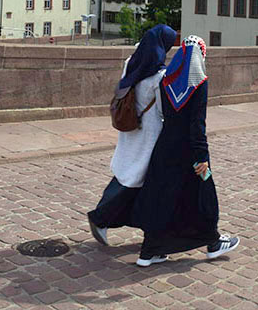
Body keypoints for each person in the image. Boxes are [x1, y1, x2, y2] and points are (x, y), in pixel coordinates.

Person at [130, 35, 239, 267]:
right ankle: (213, 242)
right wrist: (201, 157)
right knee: (204, 194)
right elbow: (197, 124)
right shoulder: (199, 83)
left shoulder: (166, 80)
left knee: (163, 198)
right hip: (191, 154)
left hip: (165, 148)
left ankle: (149, 251)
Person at [88, 25, 178, 247]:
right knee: (135, 178)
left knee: (128, 173)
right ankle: (101, 216)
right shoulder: (160, 76)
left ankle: (145, 225)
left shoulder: (132, 62)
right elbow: (162, 111)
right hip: (149, 132)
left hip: (130, 124)